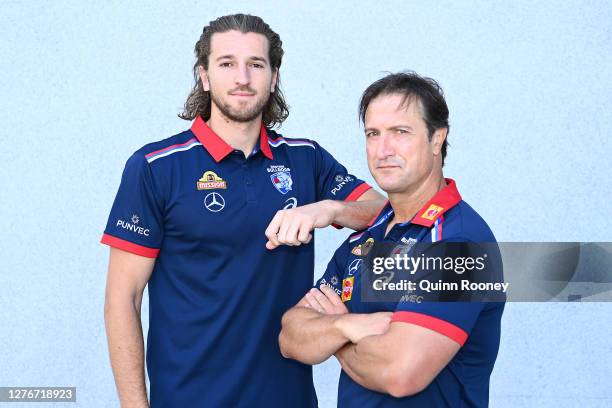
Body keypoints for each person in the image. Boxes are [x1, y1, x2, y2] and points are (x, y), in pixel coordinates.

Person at [101, 14, 384, 408]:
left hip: (288, 399)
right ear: (204, 75)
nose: (242, 78)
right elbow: (122, 300)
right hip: (187, 399)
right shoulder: (155, 167)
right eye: (227, 63)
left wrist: (327, 209)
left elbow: (383, 209)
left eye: (256, 64)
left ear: (274, 78)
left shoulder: (306, 159)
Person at [279, 72, 505, 407]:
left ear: (436, 138)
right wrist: (351, 325)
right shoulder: (364, 241)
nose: (383, 150)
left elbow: (400, 373)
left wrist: (331, 333)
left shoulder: (460, 243)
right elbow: (291, 335)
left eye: (400, 132)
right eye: (373, 134)